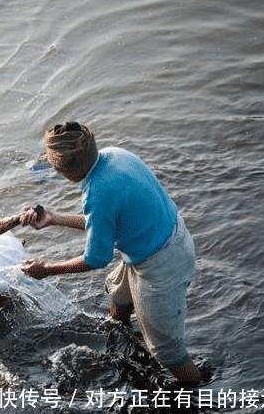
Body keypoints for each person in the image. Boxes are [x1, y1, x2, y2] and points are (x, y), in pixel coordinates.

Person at [18, 121, 203, 384]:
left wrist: (47, 269)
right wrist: (53, 218)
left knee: (167, 352)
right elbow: (105, 222)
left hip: (161, 265)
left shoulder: (98, 192)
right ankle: (120, 337)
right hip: (171, 237)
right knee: (118, 293)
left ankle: (198, 393)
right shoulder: (114, 155)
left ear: (65, 170)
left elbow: (96, 259)